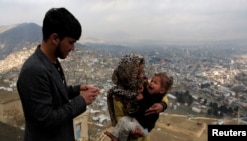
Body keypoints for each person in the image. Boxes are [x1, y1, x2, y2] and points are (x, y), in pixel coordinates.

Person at [16, 7, 100, 141]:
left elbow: (53, 95)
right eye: (71, 42)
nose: (73, 48)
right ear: (55, 38)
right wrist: (81, 101)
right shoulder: (33, 71)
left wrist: (76, 90)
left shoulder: (51, 61)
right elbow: (46, 119)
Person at [105, 53, 170, 141]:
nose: (141, 76)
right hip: (129, 134)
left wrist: (162, 105)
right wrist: (132, 131)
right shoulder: (118, 95)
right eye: (137, 73)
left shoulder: (145, 83)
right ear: (128, 74)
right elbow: (119, 117)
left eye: (141, 72)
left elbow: (161, 94)